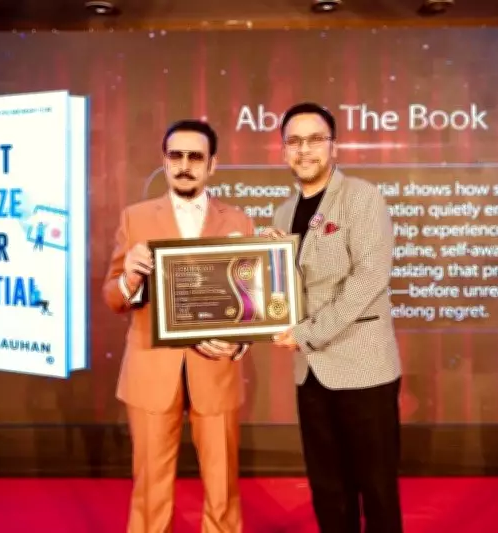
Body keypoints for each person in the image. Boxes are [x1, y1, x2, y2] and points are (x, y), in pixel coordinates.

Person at [102, 119, 253, 533]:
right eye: (176, 156)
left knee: (222, 486)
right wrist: (129, 278)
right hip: (151, 368)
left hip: (216, 369)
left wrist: (239, 342)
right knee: (150, 487)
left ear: (212, 164)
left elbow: (251, 303)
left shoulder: (239, 221)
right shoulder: (135, 218)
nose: (185, 165)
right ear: (165, 161)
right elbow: (112, 297)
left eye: (195, 157)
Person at [263, 102, 404, 532]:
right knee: (327, 489)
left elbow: (369, 279)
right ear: (284, 150)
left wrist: (308, 332)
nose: (304, 150)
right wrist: (264, 263)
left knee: (376, 489)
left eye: (314, 140)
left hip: (364, 368)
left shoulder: (361, 197)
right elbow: (286, 290)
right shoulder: (282, 213)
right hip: (311, 372)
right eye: (294, 141)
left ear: (333, 147)